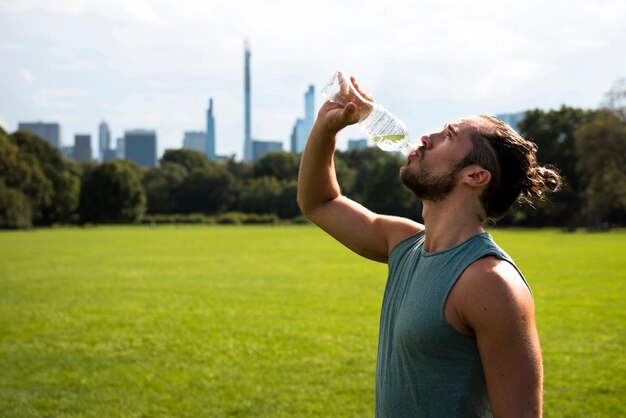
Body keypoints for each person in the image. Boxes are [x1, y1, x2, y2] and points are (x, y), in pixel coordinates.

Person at [297, 77, 561, 417]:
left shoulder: (492, 284)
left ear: (475, 176)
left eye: (448, 135)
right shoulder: (403, 244)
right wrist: (325, 128)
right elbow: (318, 202)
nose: (426, 137)